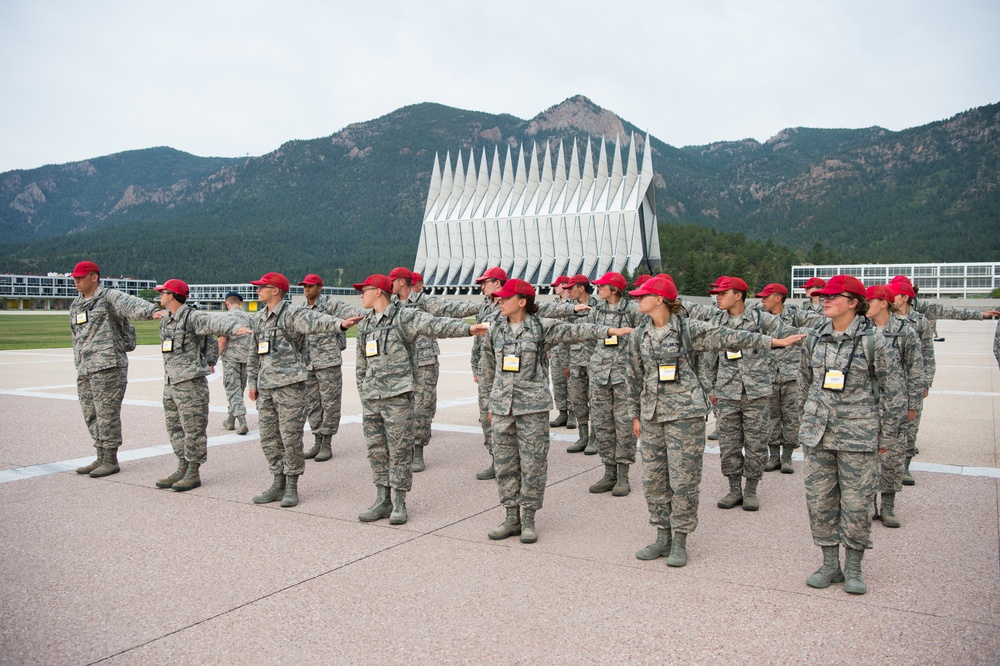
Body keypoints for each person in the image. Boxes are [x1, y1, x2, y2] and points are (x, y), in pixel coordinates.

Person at [627, 275, 806, 566]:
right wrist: (635, 413)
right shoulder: (639, 334)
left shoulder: (690, 329)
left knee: (683, 479)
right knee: (654, 479)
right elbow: (634, 375)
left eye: (642, 296)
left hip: (685, 414)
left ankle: (680, 540)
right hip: (652, 414)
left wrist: (774, 342)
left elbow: (731, 337)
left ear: (659, 299)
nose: (637, 300)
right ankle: (662, 536)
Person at [480, 279, 635, 543]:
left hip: (532, 408)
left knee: (533, 465)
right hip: (503, 408)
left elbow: (578, 331)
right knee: (506, 465)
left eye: (506, 298)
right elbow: (488, 370)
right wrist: (490, 405)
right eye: (499, 298)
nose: (500, 301)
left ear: (521, 302)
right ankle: (510, 517)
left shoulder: (541, 327)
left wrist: (611, 331)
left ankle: (528, 519)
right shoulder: (495, 330)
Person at [800, 275, 905, 595]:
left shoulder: (875, 342)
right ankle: (830, 565)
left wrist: (886, 439)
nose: (825, 300)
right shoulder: (814, 339)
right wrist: (806, 423)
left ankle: (855, 567)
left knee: (858, 504)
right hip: (818, 436)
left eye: (833, 296)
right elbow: (804, 385)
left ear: (853, 303)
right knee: (820, 503)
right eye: (823, 296)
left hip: (859, 437)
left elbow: (893, 394)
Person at [354, 274, 487, 525]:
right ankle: (382, 500)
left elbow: (434, 324)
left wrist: (468, 329)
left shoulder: (403, 316)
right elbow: (361, 364)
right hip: (372, 398)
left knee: (400, 450)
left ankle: (400, 503)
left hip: (398, 397)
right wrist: (364, 391)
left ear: (379, 292)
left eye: (365, 289)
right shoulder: (365, 324)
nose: (361, 294)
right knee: (376, 451)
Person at [242, 272, 363, 508]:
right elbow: (253, 353)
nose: (257, 290)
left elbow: (315, 320)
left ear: (275, 290)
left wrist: (339, 324)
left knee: (290, 437)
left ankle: (291, 486)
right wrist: (253, 382)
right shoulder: (258, 319)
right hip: (266, 387)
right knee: (268, 437)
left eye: (262, 287)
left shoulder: (292, 314)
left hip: (290, 386)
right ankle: (277, 481)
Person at [708, 276, 797, 512]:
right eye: (716, 293)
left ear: (738, 295)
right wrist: (711, 388)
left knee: (756, 443)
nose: (717, 297)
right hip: (727, 391)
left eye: (722, 293)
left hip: (756, 391)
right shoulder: (715, 320)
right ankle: (734, 488)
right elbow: (709, 358)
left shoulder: (761, 319)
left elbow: (789, 336)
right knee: (729, 443)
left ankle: (751, 490)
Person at [69, 260, 158, 478]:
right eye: (74, 277)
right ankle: (100, 455)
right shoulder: (77, 305)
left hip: (108, 366)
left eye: (81, 277)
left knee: (106, 413)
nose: (76, 281)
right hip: (85, 368)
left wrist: (153, 312)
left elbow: (132, 305)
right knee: (91, 414)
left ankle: (110, 459)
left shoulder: (109, 297)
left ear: (94, 277)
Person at [388, 267, 479, 473]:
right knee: (401, 407)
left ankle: (418, 450)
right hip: (400, 363)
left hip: (425, 361)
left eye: (392, 281)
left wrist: (480, 308)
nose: (389, 285)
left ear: (402, 282)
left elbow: (450, 308)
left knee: (422, 407)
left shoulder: (424, 302)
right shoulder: (390, 305)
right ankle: (402, 450)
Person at [150, 279, 237, 491]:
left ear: (171, 295)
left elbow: (213, 326)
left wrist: (235, 327)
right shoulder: (166, 320)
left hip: (190, 384)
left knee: (193, 429)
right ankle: (182, 465)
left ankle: (193, 471)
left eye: (162, 292)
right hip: (171, 383)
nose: (159, 296)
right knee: (175, 428)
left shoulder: (192, 317)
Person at [865, 284, 924, 528]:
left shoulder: (904, 331)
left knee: (891, 457)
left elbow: (915, 369)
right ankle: (868, 505)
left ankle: (888, 506)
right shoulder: (862, 330)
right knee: (865, 456)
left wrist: (913, 404)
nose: (864, 305)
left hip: (894, 404)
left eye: (869, 301)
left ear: (883, 303)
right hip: (866, 403)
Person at [757, 283, 823, 474]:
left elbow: (821, 321)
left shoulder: (796, 315)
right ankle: (774, 456)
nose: (762, 301)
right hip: (768, 374)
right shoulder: (760, 317)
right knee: (771, 417)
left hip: (792, 375)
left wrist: (799, 335)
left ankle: (787, 456)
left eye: (766, 297)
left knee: (792, 418)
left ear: (778, 298)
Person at [298, 274, 365, 463]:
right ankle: (317, 439)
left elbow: (352, 314)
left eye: (310, 286)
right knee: (313, 403)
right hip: (308, 363)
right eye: (304, 286)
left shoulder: (331, 305)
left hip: (328, 362)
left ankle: (327, 442)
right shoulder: (302, 309)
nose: (306, 289)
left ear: (320, 288)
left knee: (330, 403)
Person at [585, 272, 641, 496]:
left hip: (624, 376)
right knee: (602, 424)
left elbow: (642, 340)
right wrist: (593, 362)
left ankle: (623, 476)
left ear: (615, 289)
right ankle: (609, 472)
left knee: (624, 425)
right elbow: (589, 336)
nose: (598, 289)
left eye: (602, 286)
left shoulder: (633, 310)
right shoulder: (597, 310)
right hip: (599, 375)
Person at [470, 267, 508, 480]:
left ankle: (508, 461)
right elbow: (477, 340)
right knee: (486, 417)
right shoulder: (484, 306)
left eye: (486, 282)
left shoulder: (507, 305)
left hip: (503, 370)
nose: (482, 286)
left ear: (498, 283)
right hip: (485, 370)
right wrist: (475, 366)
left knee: (503, 416)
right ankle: (495, 459)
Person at [564, 274, 601, 454]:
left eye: (571, 287)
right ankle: (583, 436)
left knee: (596, 400)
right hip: (576, 361)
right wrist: (565, 363)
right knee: (577, 400)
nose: (568, 291)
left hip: (595, 361)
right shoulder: (569, 309)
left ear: (581, 287)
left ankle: (595, 438)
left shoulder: (599, 307)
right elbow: (563, 337)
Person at [218, 291, 253, 435]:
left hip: (231, 359)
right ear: (240, 303)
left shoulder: (226, 318)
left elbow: (222, 340)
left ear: (227, 303)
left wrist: (214, 359)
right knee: (239, 390)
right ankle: (230, 420)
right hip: (247, 358)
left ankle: (242, 420)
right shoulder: (250, 318)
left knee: (232, 390)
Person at [548, 276, 575, 429]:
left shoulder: (575, 304)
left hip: (570, 350)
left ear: (564, 286)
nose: (555, 288)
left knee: (571, 383)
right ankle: (562, 412)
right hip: (556, 350)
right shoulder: (554, 304)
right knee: (558, 382)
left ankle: (573, 414)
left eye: (557, 285)